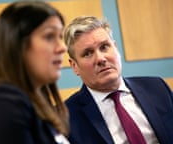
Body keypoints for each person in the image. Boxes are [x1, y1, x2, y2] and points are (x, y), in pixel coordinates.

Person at [0, 1, 70, 144]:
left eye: (60, 37)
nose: (63, 47)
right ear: (17, 44)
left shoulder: (33, 100)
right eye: (49, 36)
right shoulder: (2, 101)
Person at [63, 15, 173, 144]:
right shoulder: (64, 118)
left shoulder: (157, 88)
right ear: (74, 66)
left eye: (104, 47)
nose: (100, 59)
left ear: (115, 47)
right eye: (87, 53)